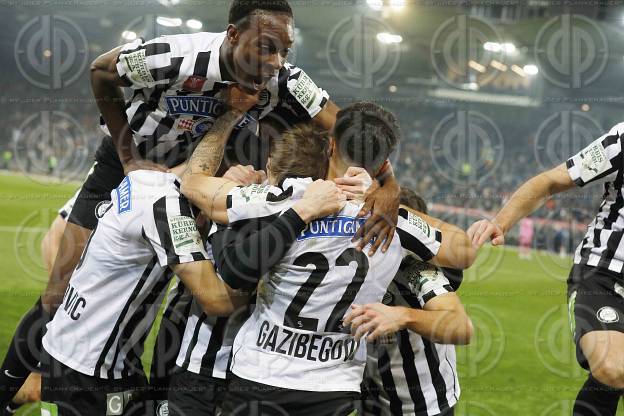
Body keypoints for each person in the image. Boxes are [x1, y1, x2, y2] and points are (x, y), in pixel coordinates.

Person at [0, 1, 401, 409]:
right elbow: (101, 70)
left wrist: (390, 185)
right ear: (232, 35)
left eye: (284, 50)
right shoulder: (177, 57)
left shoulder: (285, 79)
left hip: (192, 177)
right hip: (126, 162)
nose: (276, 62)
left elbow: (351, 128)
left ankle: (137, 390)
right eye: (265, 47)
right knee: (58, 289)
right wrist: (128, 159)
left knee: (170, 290)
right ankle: (11, 392)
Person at [179, 99, 476, 415]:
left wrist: (239, 182)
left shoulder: (289, 196)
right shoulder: (393, 222)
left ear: (331, 145)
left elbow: (194, 185)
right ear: (382, 162)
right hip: (333, 385)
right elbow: (464, 251)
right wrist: (391, 190)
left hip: (261, 372)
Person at [467, 122, 624, 416]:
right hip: (603, 273)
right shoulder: (622, 139)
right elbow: (551, 181)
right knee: (612, 367)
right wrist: (500, 222)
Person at [351, 188, 472, 416]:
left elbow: (462, 328)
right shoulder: (359, 260)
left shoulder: (419, 270)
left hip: (423, 406)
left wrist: (403, 316)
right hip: (370, 400)